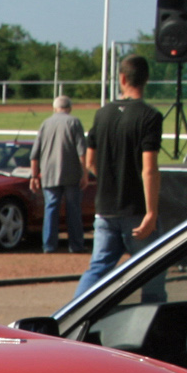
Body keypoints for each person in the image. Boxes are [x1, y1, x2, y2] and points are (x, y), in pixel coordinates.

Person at [74, 55, 163, 299]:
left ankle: (71, 316)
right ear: (146, 80)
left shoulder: (102, 114)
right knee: (153, 269)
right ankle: (154, 323)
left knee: (97, 271)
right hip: (135, 209)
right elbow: (149, 168)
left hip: (105, 208)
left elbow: (90, 161)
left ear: (122, 79)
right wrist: (152, 212)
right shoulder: (150, 116)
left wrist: (110, 178)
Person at [28, 95, 88, 254]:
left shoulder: (45, 123)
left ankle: (49, 245)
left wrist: (34, 176)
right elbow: (82, 151)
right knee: (73, 210)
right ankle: (76, 245)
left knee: (51, 208)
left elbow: (34, 154)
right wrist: (85, 173)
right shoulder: (74, 122)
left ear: (54, 108)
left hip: (49, 174)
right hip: (71, 174)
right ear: (70, 108)